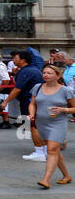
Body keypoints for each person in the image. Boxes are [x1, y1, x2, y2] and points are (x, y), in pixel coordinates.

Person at [29, 62, 73, 190]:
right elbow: (32, 104)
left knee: (52, 150)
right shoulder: (37, 87)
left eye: (49, 73)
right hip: (41, 123)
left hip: (58, 123)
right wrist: (32, 115)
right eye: (44, 73)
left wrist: (63, 110)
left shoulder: (66, 90)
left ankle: (46, 179)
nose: (45, 75)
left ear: (58, 75)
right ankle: (66, 176)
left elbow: (74, 107)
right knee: (55, 151)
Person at [3, 48, 47, 161]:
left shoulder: (26, 71)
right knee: (38, 125)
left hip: (29, 101)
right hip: (35, 100)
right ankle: (45, 150)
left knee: (34, 126)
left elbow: (18, 89)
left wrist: (6, 101)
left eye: (15, 58)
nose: (13, 60)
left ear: (23, 60)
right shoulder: (31, 70)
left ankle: (40, 152)